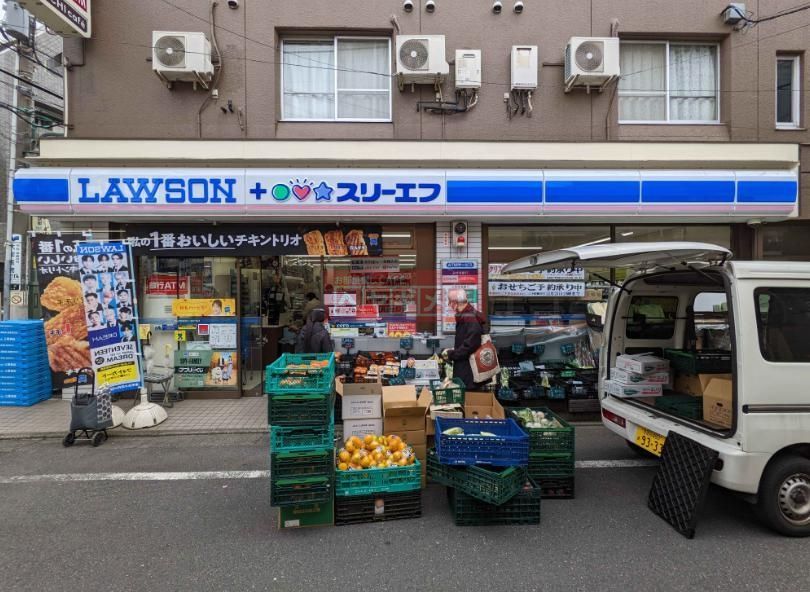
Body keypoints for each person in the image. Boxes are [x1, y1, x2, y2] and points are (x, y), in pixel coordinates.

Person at [443, 288, 487, 390]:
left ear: (455, 303)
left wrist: (452, 354)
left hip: (469, 370)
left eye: (450, 302)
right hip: (467, 367)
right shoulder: (467, 315)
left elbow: (471, 344)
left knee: (467, 397)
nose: (449, 305)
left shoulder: (469, 317)